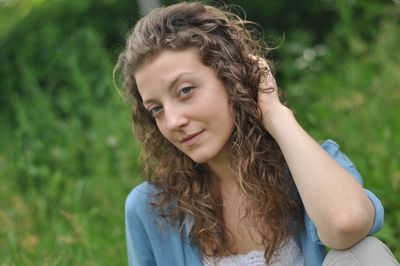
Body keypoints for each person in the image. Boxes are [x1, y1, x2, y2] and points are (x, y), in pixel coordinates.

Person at [115, 2, 399, 265]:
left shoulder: (306, 171)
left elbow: (346, 223)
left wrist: (274, 113)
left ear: (231, 79)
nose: (173, 120)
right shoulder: (149, 208)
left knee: (363, 253)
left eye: (185, 91)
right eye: (156, 109)